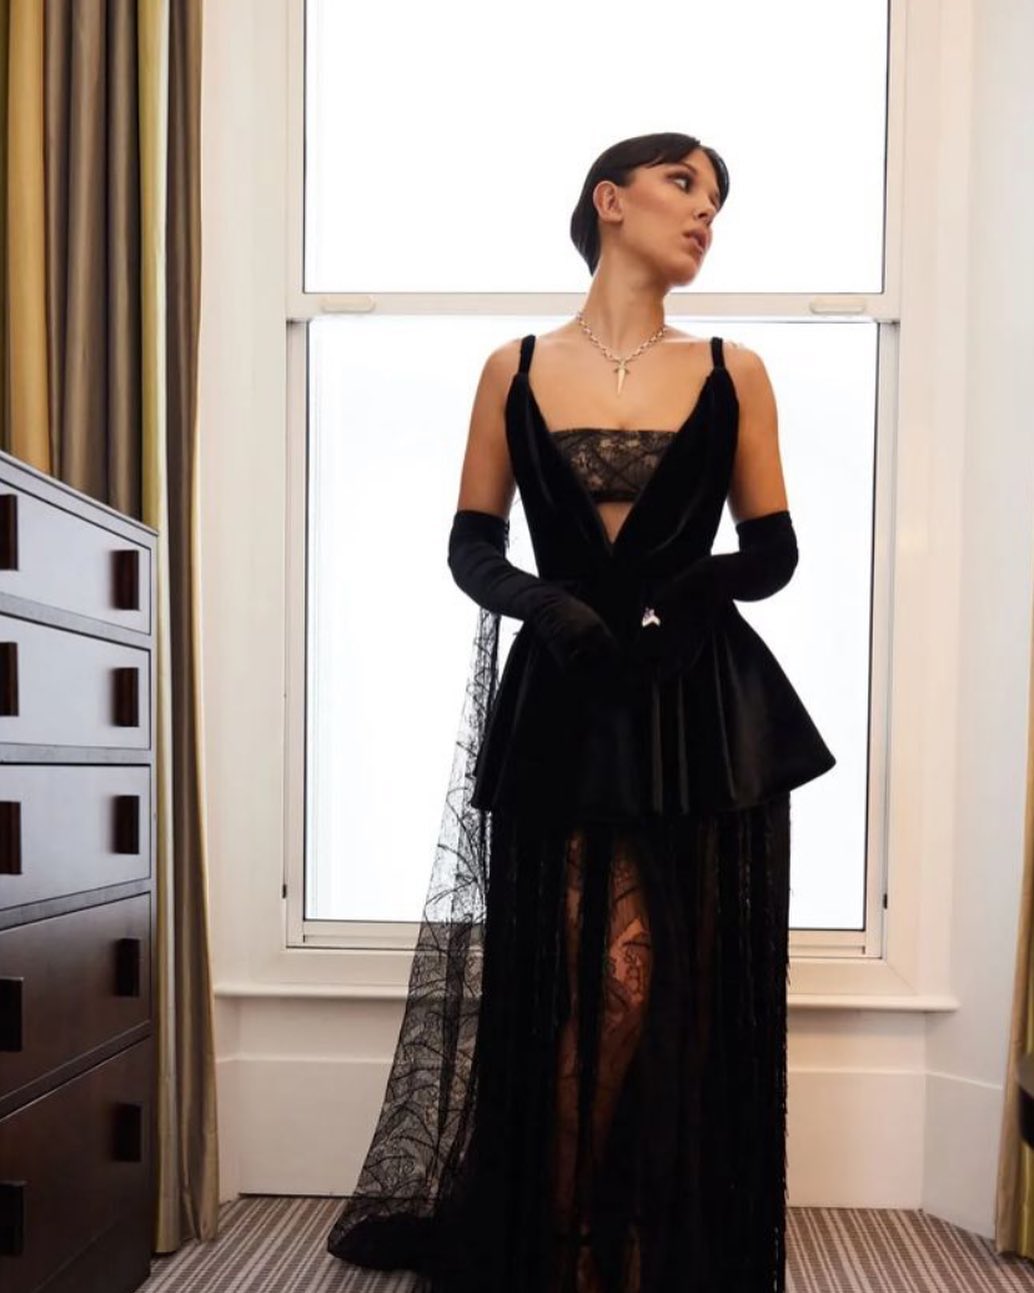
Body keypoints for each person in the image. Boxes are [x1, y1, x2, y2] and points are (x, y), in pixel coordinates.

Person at [326, 131, 837, 1293]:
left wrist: (685, 590)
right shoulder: (511, 368)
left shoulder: (732, 369)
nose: (704, 212)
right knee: (581, 983)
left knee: (672, 985)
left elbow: (770, 553)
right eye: (683, 184)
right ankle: (560, 1242)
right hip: (564, 701)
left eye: (716, 199)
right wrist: (547, 609)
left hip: (690, 705)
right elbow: (470, 547)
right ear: (609, 200)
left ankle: (640, 1237)